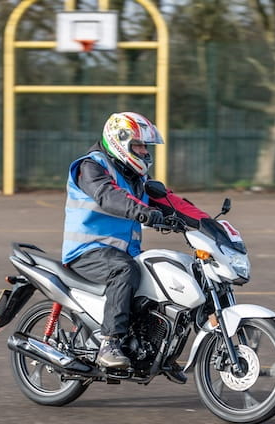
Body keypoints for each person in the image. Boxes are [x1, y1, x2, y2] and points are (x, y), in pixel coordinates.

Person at [61, 111, 212, 384]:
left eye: (146, 147)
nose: (144, 152)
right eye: (139, 146)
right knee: (125, 270)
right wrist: (143, 212)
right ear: (119, 141)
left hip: (123, 252)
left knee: (166, 274)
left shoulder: (136, 177)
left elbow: (171, 202)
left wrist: (209, 225)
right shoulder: (90, 167)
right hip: (86, 251)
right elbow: (108, 196)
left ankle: (157, 351)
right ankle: (110, 343)